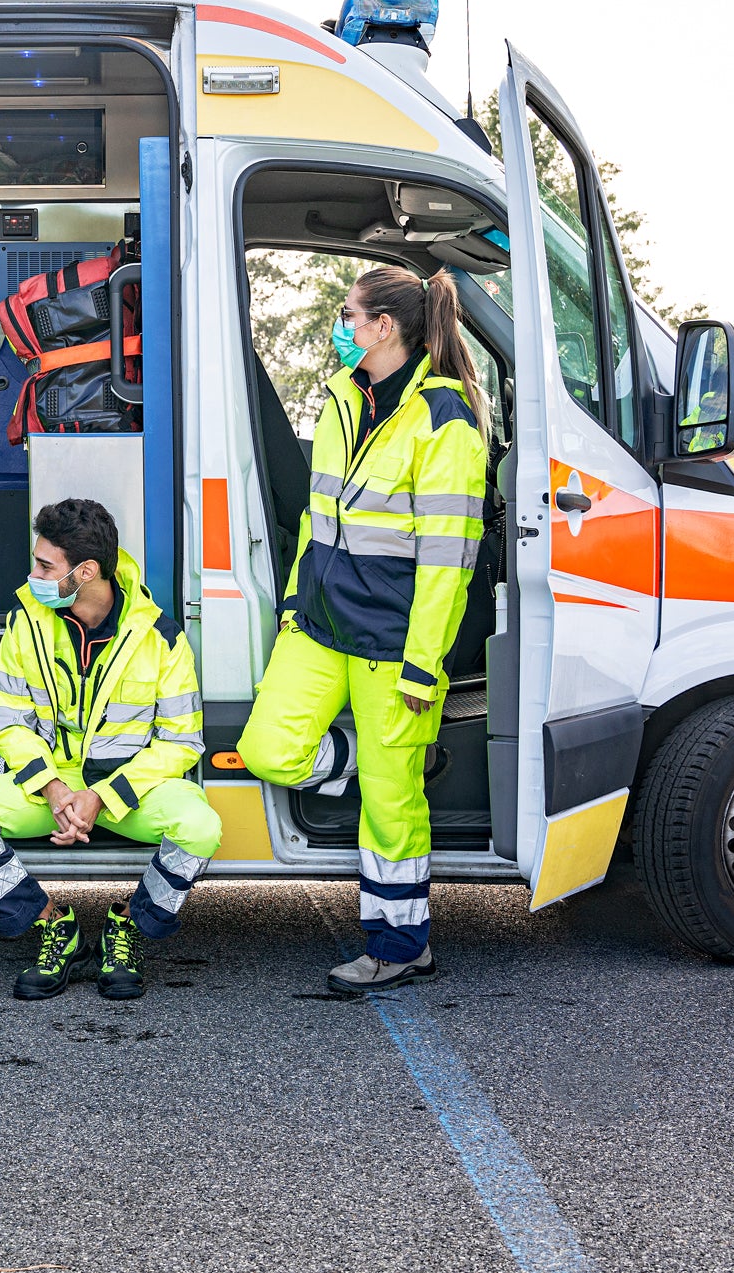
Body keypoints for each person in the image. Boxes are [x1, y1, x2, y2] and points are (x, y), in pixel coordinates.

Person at [238, 266, 488, 996]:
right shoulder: (346, 397)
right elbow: (319, 519)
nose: (341, 326)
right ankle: (357, 753)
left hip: (391, 645)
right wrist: (292, 602)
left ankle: (400, 944)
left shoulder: (446, 421)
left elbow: (450, 563)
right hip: (318, 625)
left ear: (386, 327)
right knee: (268, 749)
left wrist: (421, 666)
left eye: (349, 315)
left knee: (390, 807)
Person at [0, 498, 218, 1001]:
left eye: (45, 565)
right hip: (53, 788)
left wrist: (103, 797)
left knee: (200, 828)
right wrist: (54, 789)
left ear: (85, 572)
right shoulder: (26, 621)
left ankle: (125, 927)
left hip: (125, 793)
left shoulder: (161, 638)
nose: (34, 573)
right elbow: (6, 721)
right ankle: (54, 926)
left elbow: (182, 742)